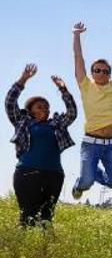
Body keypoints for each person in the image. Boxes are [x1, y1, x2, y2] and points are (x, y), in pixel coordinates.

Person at [6, 64, 76, 227]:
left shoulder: (57, 124)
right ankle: (23, 249)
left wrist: (64, 90)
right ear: (30, 110)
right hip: (27, 173)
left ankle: (44, 251)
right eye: (39, 107)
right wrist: (23, 79)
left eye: (46, 107)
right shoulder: (22, 122)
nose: (44, 109)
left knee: (46, 219)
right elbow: (10, 101)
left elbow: (72, 113)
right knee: (28, 217)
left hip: (54, 175)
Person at [70, 21, 112, 199]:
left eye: (105, 71)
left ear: (109, 74)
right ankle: (80, 182)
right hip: (90, 143)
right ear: (92, 72)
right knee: (86, 182)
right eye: (97, 70)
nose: (101, 73)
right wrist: (76, 35)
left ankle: (91, 169)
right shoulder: (86, 85)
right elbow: (78, 58)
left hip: (111, 145)